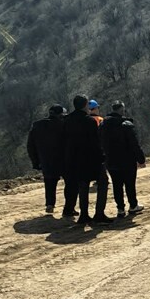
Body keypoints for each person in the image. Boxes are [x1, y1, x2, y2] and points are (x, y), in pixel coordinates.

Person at [63, 94, 111, 224]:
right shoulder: (89, 121)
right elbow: (95, 141)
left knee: (82, 186)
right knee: (103, 183)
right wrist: (102, 156)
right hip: (91, 157)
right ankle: (99, 214)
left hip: (74, 158)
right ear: (85, 105)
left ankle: (83, 215)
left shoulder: (66, 120)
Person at [100, 101, 146, 218]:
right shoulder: (126, 124)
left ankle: (120, 208)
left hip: (110, 159)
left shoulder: (103, 125)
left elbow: (100, 142)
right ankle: (133, 205)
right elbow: (134, 143)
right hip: (127, 159)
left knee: (117, 185)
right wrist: (140, 158)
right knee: (130, 184)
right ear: (122, 110)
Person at [27, 104, 68, 214]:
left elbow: (30, 146)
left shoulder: (37, 126)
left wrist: (35, 162)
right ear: (61, 115)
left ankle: (50, 204)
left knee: (49, 183)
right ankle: (69, 207)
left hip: (46, 161)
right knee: (70, 183)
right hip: (65, 160)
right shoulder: (64, 125)